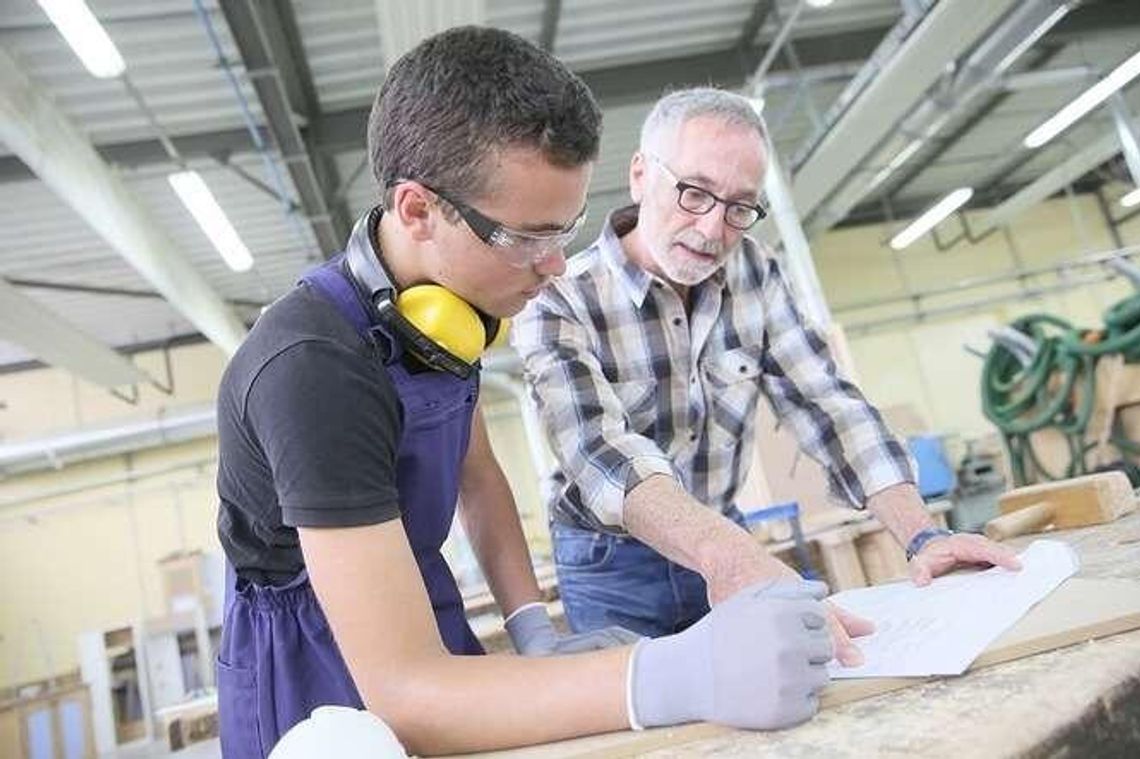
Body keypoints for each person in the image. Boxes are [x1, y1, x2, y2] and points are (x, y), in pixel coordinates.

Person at [216, 31, 834, 759]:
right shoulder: (314, 367)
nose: (555, 267)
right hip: (315, 672)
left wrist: (530, 626)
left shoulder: (441, 312)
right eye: (526, 237)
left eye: (567, 230)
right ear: (417, 210)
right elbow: (409, 694)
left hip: (417, 617)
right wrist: (668, 674)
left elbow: (477, 480)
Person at [511, 87, 1022, 664]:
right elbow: (600, 450)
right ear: (639, 175)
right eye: (694, 193)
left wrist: (923, 535)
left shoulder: (756, 269)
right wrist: (730, 555)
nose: (712, 231)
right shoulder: (557, 299)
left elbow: (828, 404)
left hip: (725, 530)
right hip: (611, 562)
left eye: (739, 208)